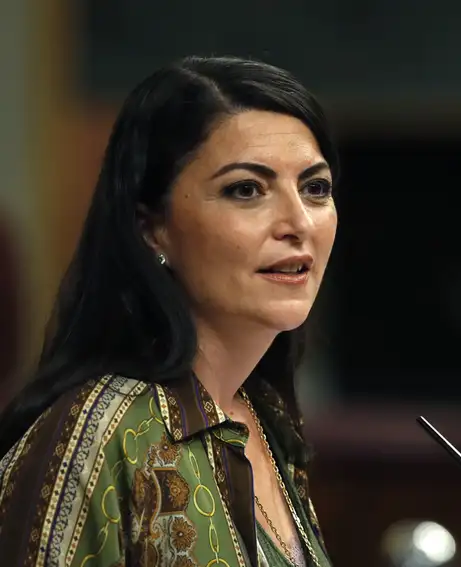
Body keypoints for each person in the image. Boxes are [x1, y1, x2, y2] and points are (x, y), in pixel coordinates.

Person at [0, 55, 339, 567]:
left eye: (315, 188)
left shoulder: (267, 421)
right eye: (246, 189)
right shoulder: (100, 436)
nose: (297, 222)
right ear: (151, 228)